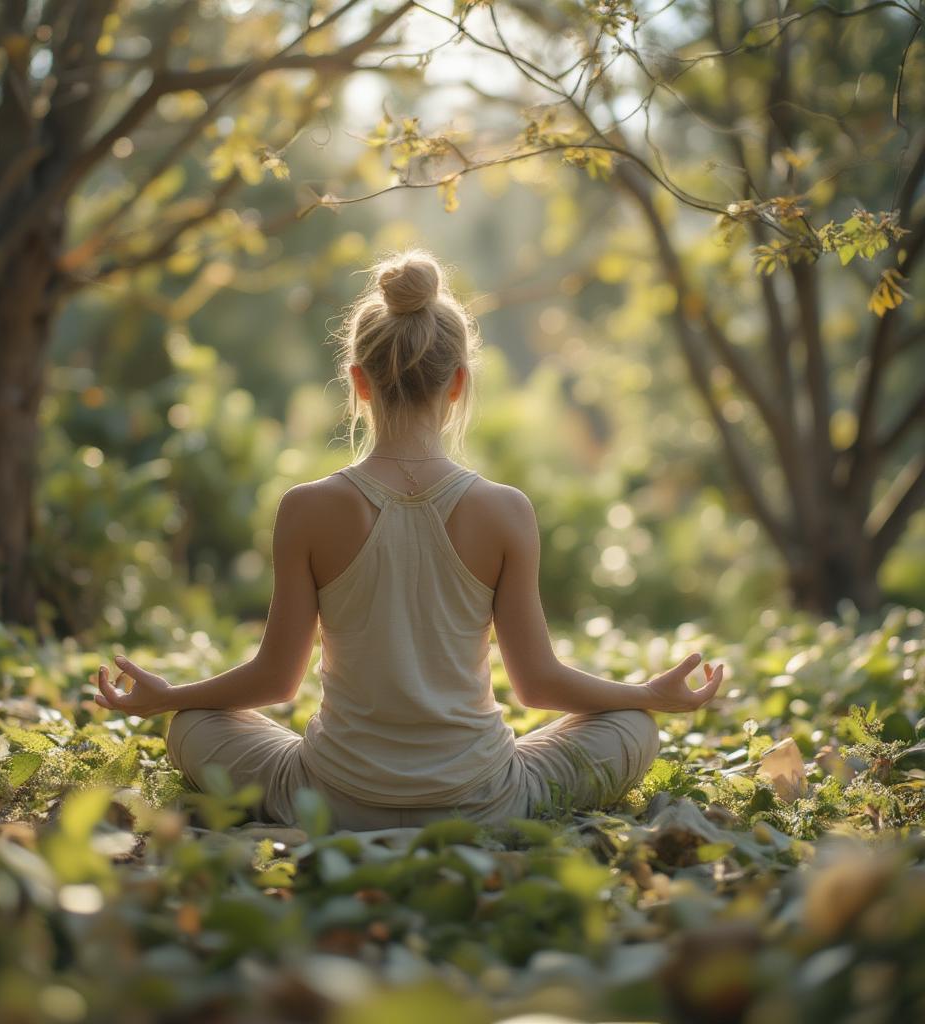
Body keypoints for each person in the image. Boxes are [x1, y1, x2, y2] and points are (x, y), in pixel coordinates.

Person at [90, 247, 724, 831]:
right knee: (633, 728)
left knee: (193, 725)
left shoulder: (306, 508)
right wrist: (647, 695)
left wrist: (168, 698)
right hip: (482, 798)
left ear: (358, 381)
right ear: (459, 383)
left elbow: (276, 680)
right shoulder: (505, 510)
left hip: (332, 799)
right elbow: (536, 685)